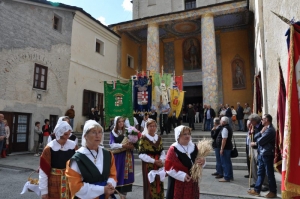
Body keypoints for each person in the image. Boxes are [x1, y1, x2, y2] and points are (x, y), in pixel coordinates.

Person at [66, 120, 117, 199]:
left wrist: (110, 184)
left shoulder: (108, 154)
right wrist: (102, 189)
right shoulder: (77, 159)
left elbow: (113, 175)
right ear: (85, 136)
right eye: (94, 132)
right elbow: (76, 187)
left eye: (100, 132)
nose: (98, 135)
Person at [165, 125, 205, 199]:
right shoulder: (173, 149)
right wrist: (182, 175)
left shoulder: (193, 147)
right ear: (178, 136)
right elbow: (168, 168)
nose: (187, 136)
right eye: (185, 134)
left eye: (189, 134)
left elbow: (198, 161)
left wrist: (202, 162)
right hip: (178, 182)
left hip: (192, 181)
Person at [39, 121, 77, 199]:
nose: (67, 137)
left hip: (70, 181)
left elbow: (78, 165)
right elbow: (43, 170)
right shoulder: (49, 148)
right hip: (54, 181)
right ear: (59, 133)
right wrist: (44, 191)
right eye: (65, 134)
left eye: (69, 134)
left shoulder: (73, 146)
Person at [248, 114, 277, 198]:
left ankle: (273, 191)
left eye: (263, 119)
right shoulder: (264, 129)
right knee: (260, 172)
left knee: (269, 173)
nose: (261, 121)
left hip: (267, 153)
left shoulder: (270, 130)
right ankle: (257, 190)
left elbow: (260, 141)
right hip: (262, 153)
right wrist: (260, 132)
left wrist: (255, 143)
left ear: (267, 120)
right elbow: (256, 137)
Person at [138, 119, 166, 199]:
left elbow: (162, 151)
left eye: (154, 126)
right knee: (150, 183)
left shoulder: (159, 138)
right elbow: (141, 154)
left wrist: (161, 160)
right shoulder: (143, 138)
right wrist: (153, 161)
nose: (152, 128)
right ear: (147, 127)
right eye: (150, 126)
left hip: (159, 164)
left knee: (159, 181)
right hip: (148, 164)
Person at [109, 116, 134, 198]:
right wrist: (123, 145)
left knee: (126, 175)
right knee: (118, 173)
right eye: (119, 122)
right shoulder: (113, 132)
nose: (121, 123)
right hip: (118, 157)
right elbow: (112, 145)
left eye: (122, 121)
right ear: (116, 123)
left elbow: (134, 141)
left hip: (127, 156)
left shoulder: (127, 131)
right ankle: (116, 193)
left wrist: (132, 146)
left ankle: (124, 195)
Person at [216, 116, 233, 182]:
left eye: (220, 121)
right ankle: (229, 176)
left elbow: (224, 139)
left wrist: (221, 149)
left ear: (223, 122)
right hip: (228, 147)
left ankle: (226, 177)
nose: (220, 122)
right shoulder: (228, 127)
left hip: (225, 148)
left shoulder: (225, 128)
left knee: (225, 163)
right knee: (228, 162)